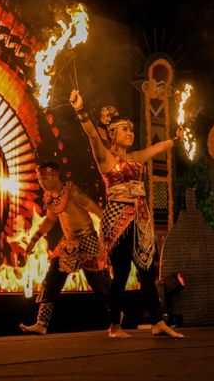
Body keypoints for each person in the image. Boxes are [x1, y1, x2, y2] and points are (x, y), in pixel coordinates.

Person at [69, 89, 184, 338]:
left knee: (146, 271)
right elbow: (91, 134)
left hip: (141, 218)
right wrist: (81, 110)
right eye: (124, 129)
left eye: (131, 130)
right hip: (118, 218)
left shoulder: (135, 158)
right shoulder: (106, 159)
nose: (130, 133)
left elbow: (157, 148)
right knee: (121, 273)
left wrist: (174, 139)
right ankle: (115, 326)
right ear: (111, 133)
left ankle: (157, 322)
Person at [19, 161, 111, 335]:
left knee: (99, 283)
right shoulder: (51, 196)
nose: (41, 182)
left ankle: (116, 317)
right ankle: (41, 324)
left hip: (87, 239)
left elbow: (96, 210)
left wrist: (108, 233)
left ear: (54, 176)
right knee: (52, 279)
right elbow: (50, 220)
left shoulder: (73, 192)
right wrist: (33, 240)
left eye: (44, 178)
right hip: (67, 242)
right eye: (39, 179)